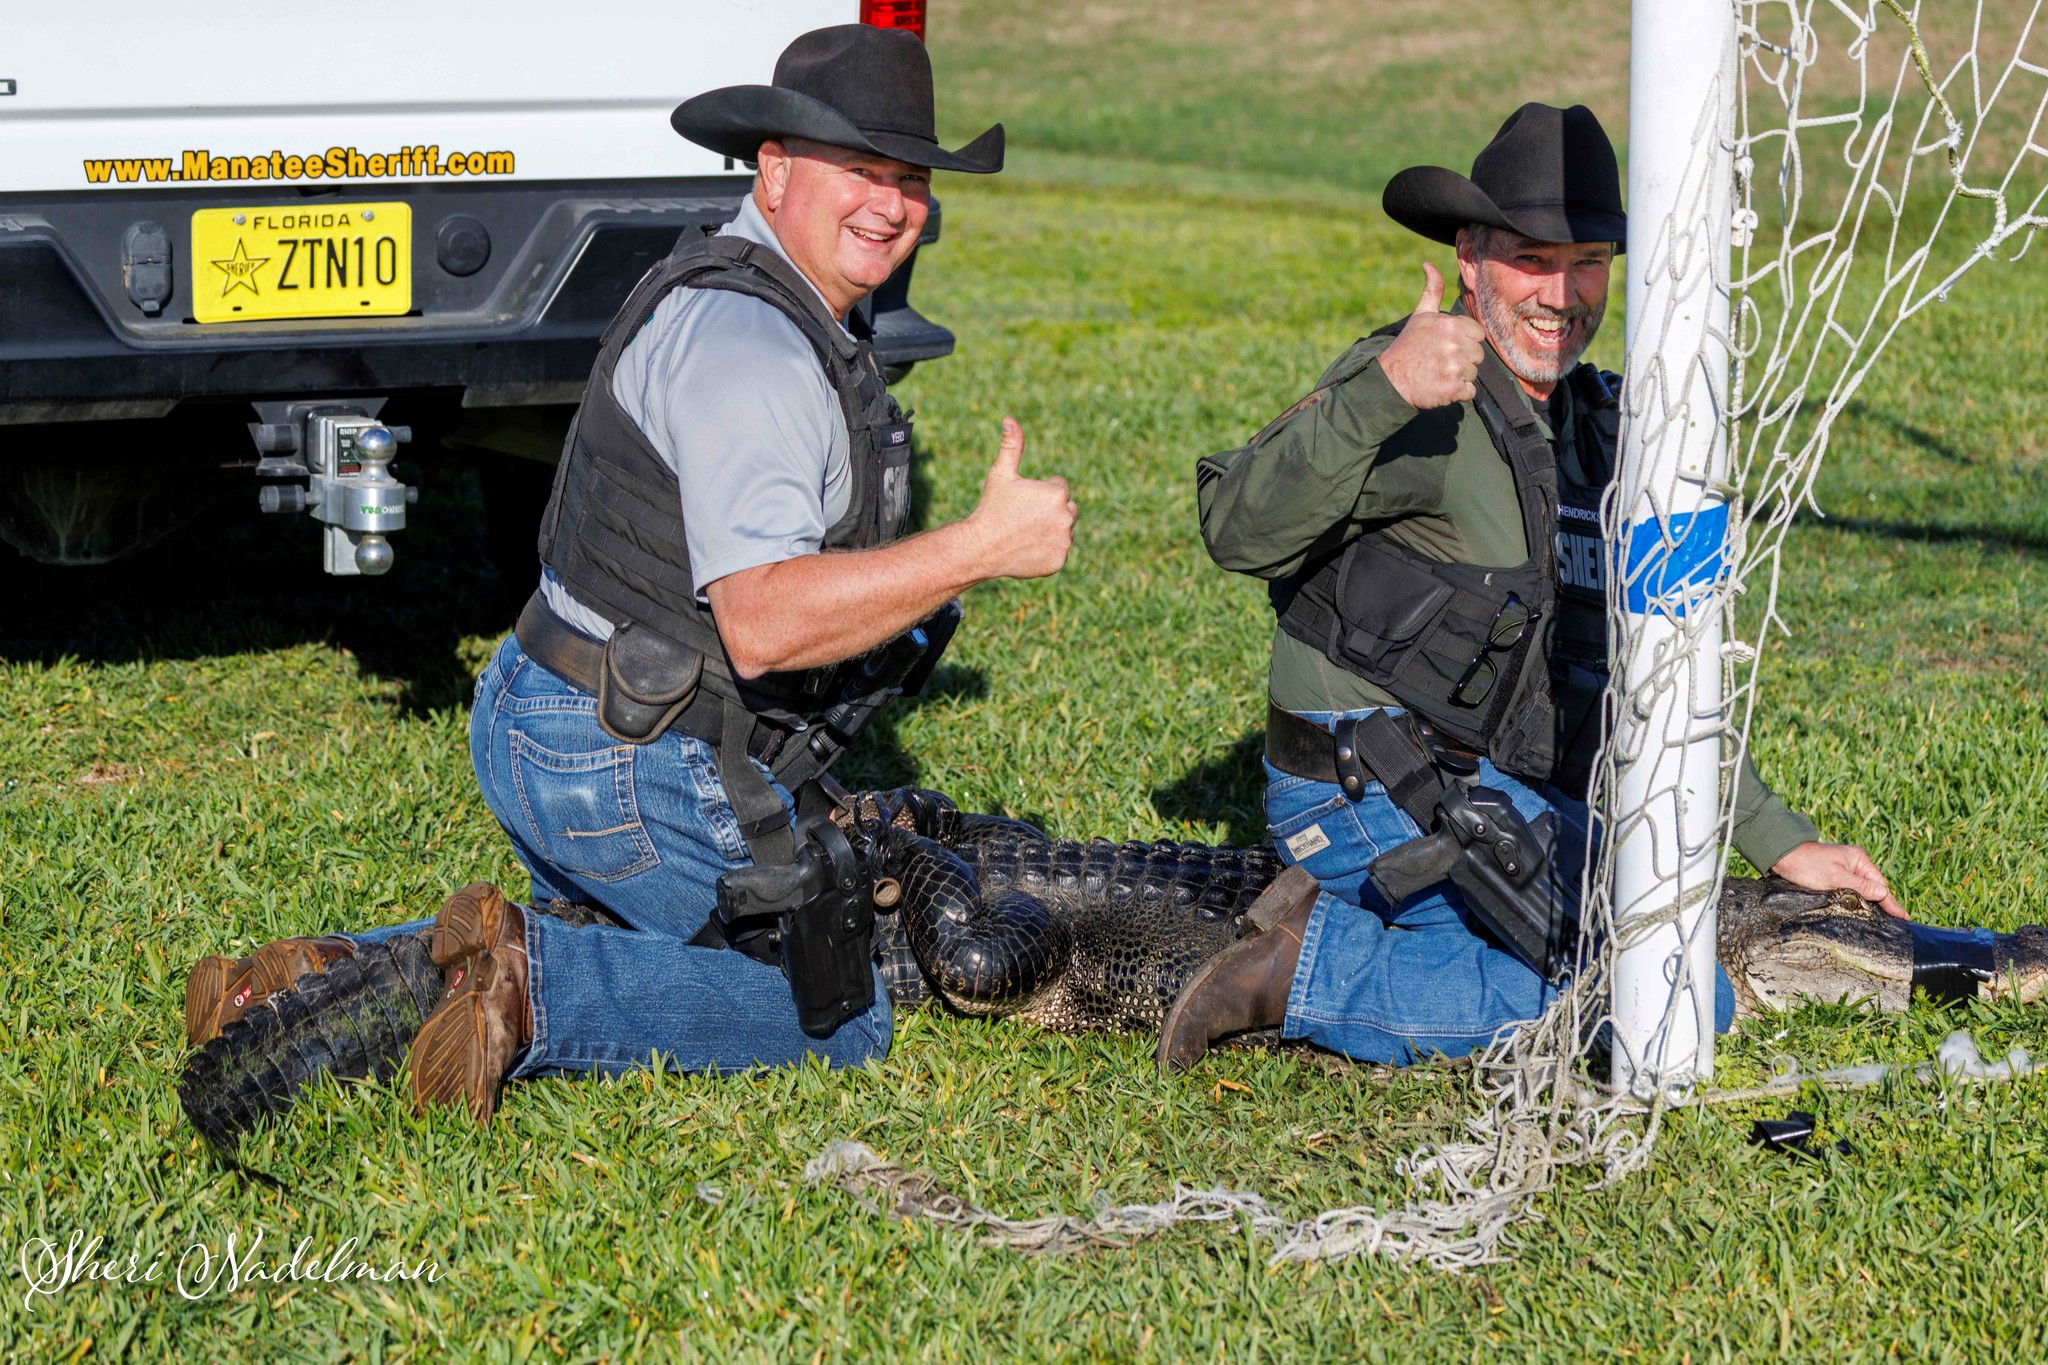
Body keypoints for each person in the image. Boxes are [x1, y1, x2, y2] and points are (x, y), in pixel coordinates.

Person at [184, 25, 1078, 1120]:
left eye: (908, 181)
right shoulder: (752, 353)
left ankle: (307, 979)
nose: (890, 206)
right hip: (619, 760)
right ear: (777, 166)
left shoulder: (735, 285)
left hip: (551, 709)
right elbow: (759, 627)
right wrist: (976, 551)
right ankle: (533, 997)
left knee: (613, 928)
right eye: (861, 172)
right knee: (834, 1013)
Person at [1159, 103, 1900, 1070]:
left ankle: (1397, 938)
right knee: (1678, 1003)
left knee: (1667, 971)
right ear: (1469, 258)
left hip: (1490, 788)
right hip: (1357, 783)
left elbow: (1654, 675)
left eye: (1587, 259)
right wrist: (1383, 388)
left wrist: (1778, 838)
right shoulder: (1419, 388)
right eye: (1530, 258)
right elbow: (1235, 529)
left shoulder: (1614, 431)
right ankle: (1306, 972)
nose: (1562, 293)